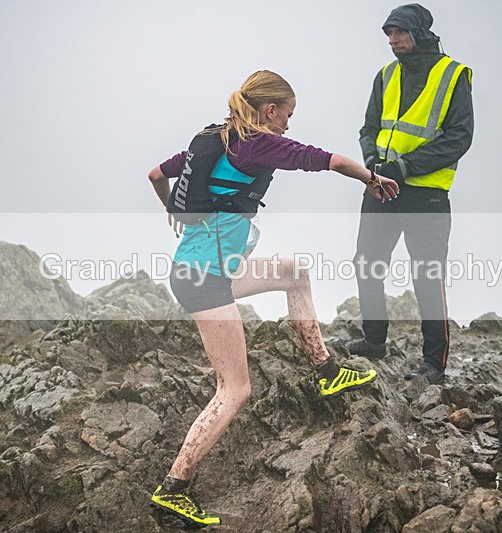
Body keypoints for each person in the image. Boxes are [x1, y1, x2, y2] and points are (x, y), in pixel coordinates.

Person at [146, 69, 399, 527]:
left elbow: (155, 174)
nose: (288, 124)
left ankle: (326, 372)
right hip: (205, 280)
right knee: (234, 390)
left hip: (211, 270)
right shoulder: (258, 143)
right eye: (287, 114)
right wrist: (370, 178)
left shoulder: (213, 140)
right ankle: (172, 489)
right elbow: (330, 160)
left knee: (294, 274)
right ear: (269, 110)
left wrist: (174, 209)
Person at [345, 4, 474, 385]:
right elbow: (368, 129)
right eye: (389, 33)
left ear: (419, 32)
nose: (392, 40)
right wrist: (372, 164)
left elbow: (459, 138)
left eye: (399, 32)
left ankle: (434, 363)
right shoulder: (386, 75)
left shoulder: (453, 75)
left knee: (427, 275)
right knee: (367, 263)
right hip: (380, 187)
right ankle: (374, 341)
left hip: (426, 194)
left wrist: (404, 166)